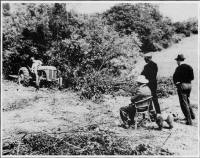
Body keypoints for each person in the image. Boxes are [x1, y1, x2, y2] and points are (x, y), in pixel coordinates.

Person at [173, 54, 195, 125]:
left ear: (179, 61)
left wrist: (177, 84)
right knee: (187, 100)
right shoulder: (189, 67)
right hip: (189, 85)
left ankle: (189, 121)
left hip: (182, 86)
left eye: (177, 61)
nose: (177, 62)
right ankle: (192, 115)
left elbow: (175, 78)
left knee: (183, 103)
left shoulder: (178, 68)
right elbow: (192, 78)